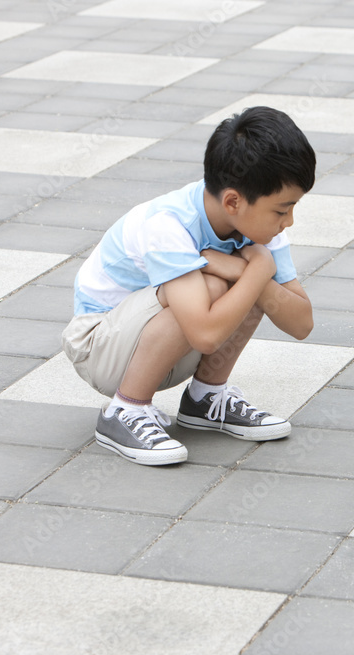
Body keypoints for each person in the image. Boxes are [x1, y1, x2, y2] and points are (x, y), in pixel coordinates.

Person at [62, 106, 315, 466]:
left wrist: (253, 270)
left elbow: (301, 323)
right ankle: (124, 411)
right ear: (233, 201)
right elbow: (206, 336)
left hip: (163, 347)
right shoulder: (170, 223)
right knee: (215, 287)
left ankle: (205, 399)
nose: (288, 221)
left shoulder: (258, 227)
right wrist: (257, 270)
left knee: (238, 285)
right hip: (100, 348)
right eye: (281, 210)